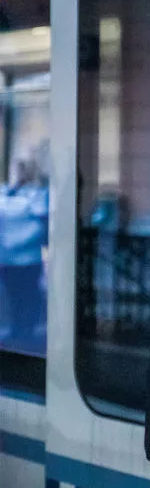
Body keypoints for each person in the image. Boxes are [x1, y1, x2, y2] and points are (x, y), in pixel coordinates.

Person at [0, 148, 49, 356]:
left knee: (27, 295)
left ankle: (26, 331)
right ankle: (16, 329)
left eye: (20, 170)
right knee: (12, 294)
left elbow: (41, 226)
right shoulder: (3, 192)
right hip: (6, 259)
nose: (16, 174)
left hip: (27, 258)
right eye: (13, 170)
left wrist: (15, 241)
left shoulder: (37, 194)